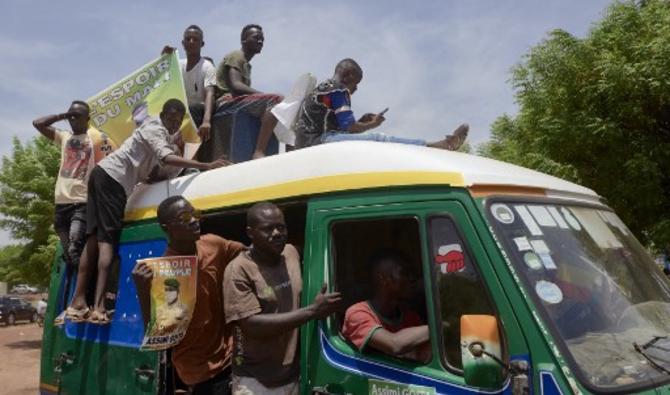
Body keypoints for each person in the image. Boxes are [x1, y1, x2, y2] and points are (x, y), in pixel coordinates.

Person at [66, 99, 229, 324]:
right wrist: (206, 166)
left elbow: (155, 172)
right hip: (113, 180)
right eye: (171, 118)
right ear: (162, 115)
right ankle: (99, 307)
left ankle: (78, 302)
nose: (173, 123)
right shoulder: (154, 128)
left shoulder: (161, 137)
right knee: (107, 241)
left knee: (93, 237)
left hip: (102, 175)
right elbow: (165, 157)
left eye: (177, 120)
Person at [223, 202, 342, 394]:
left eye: (281, 227)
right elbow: (251, 325)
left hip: (293, 373)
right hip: (256, 380)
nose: (277, 233)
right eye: (268, 229)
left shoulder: (290, 252)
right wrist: (313, 311)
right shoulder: (238, 270)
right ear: (250, 232)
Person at [133, 195, 246, 394]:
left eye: (195, 214)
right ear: (166, 227)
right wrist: (143, 291)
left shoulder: (213, 244)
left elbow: (249, 256)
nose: (194, 220)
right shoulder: (163, 273)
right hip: (200, 371)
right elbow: (159, 339)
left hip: (232, 356)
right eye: (185, 217)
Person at [32, 101, 117, 319]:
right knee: (70, 255)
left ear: (87, 118)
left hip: (82, 202)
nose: (73, 119)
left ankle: (85, 300)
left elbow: (111, 159)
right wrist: (62, 114)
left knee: (75, 250)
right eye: (71, 116)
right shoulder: (64, 137)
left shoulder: (96, 137)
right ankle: (81, 301)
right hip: (61, 203)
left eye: (78, 115)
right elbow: (37, 123)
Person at [294, 58, 469, 151]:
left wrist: (362, 121)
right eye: (356, 83)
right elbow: (350, 127)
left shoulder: (322, 89)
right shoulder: (339, 90)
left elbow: (341, 127)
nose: (355, 89)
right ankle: (441, 145)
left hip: (307, 141)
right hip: (317, 142)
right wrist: (372, 124)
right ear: (347, 75)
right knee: (380, 138)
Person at [342, 249, 430, 362]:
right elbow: (394, 344)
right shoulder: (358, 313)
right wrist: (439, 327)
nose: (412, 279)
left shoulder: (411, 317)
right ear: (383, 278)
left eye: (412, 274)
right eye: (404, 273)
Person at [215, 24, 283, 160]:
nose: (260, 42)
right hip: (226, 102)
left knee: (281, 108)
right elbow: (236, 85)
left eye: (262, 39)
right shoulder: (236, 56)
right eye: (256, 38)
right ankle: (259, 151)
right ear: (243, 40)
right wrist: (263, 95)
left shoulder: (246, 64)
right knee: (276, 100)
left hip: (237, 102)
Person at [162, 25, 216, 143]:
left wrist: (206, 121)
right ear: (183, 43)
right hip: (180, 114)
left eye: (195, 39)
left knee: (195, 108)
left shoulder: (207, 66)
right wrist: (165, 58)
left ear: (202, 44)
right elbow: (162, 80)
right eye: (188, 39)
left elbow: (209, 93)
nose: (191, 42)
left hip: (198, 114)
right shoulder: (177, 65)